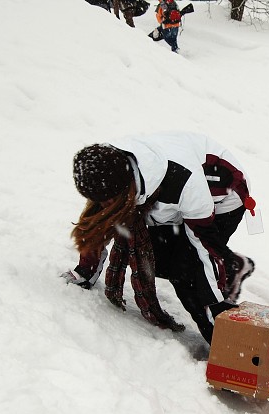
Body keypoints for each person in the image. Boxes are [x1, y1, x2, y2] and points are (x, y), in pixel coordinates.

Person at [61, 131, 256, 344]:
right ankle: (231, 263)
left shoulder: (184, 184)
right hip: (176, 200)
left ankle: (225, 344)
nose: (103, 205)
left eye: (107, 201)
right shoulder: (109, 167)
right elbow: (99, 221)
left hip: (223, 199)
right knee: (155, 258)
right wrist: (85, 272)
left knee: (187, 275)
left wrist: (216, 307)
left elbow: (204, 245)